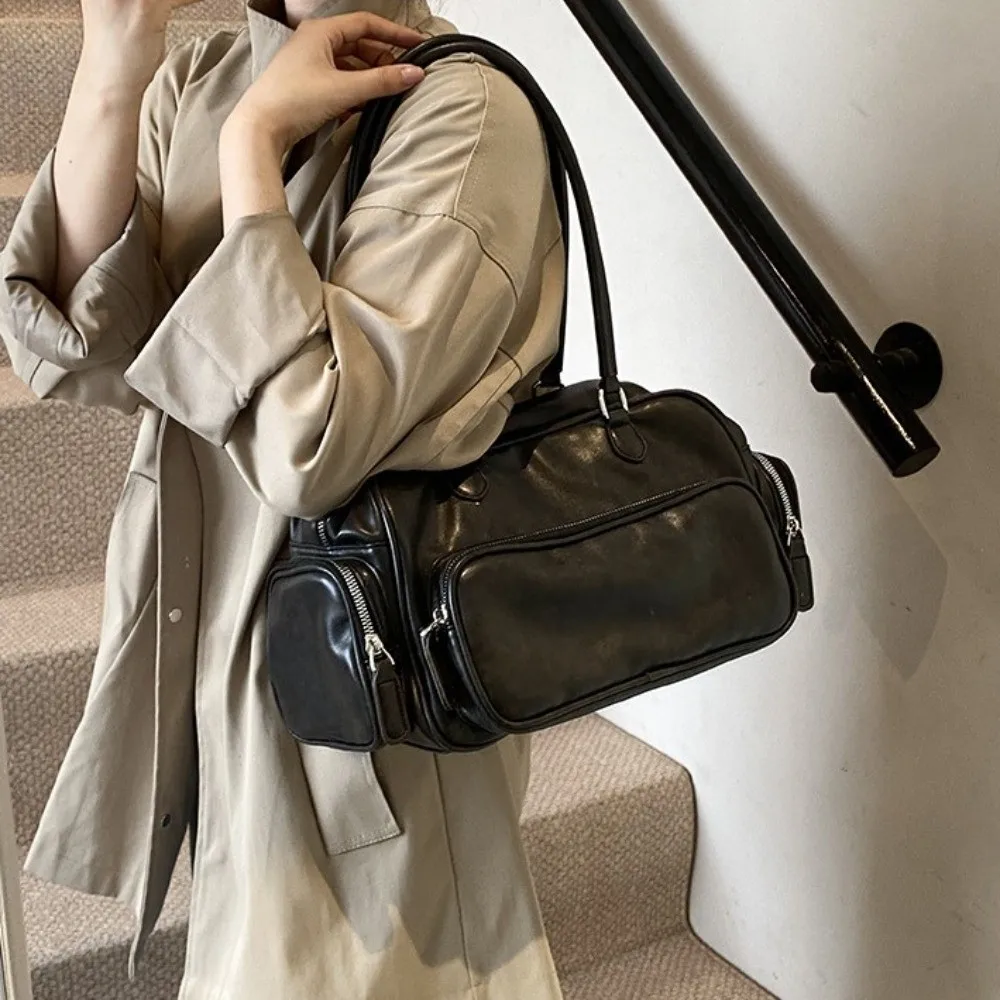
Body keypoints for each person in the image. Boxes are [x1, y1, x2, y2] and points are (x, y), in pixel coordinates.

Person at [0, 1, 567, 997]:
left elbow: (315, 442)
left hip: (372, 689)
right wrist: (118, 54)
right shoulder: (200, 80)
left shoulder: (466, 110)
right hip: (221, 647)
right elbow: (78, 352)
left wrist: (253, 145)